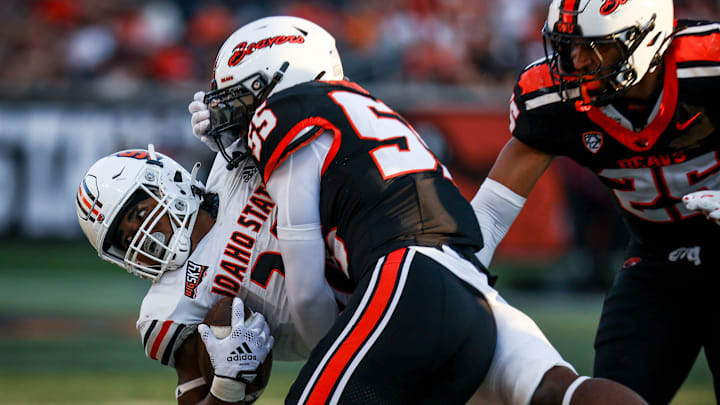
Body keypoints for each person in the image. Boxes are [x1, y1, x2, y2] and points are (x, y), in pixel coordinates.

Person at [191, 15, 648, 405]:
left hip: (406, 278)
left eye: (245, 100)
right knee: (560, 391)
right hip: (469, 283)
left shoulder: (291, 115)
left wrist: (332, 352)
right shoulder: (366, 113)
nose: (238, 118)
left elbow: (309, 293)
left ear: (282, 86)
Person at [470, 0, 720, 403]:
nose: (576, 61)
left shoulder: (707, 64)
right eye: (568, 45)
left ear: (649, 37)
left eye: (595, 46)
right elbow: (491, 212)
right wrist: (457, 269)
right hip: (656, 262)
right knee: (613, 393)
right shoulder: (553, 101)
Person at [76, 144, 351, 404]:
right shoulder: (168, 308)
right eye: (125, 239)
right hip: (342, 333)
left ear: (166, 182)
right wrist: (227, 387)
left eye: (138, 213)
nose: (139, 235)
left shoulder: (235, 162)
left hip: (363, 258)